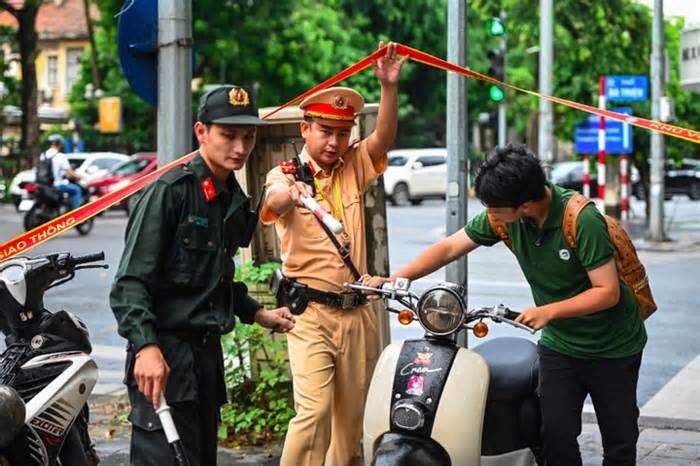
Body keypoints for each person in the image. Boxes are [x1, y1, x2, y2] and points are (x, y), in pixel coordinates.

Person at [364, 144, 647, 466]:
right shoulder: (504, 217)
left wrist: (548, 311)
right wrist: (396, 279)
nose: (490, 214)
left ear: (525, 204)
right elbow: (448, 248)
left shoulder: (582, 221)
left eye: (495, 208)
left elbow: (607, 291)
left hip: (613, 346)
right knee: (555, 434)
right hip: (561, 344)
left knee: (619, 439)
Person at [110, 85, 295, 466]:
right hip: (163, 354)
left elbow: (216, 276)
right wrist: (145, 347)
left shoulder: (230, 196)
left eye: (248, 136)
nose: (240, 147)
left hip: (205, 359)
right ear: (201, 132)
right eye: (228, 135)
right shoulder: (171, 192)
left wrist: (258, 313)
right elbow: (130, 283)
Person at [260, 42, 407, 466]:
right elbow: (273, 201)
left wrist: (388, 87)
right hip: (310, 314)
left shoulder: (354, 165)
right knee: (314, 412)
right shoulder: (285, 174)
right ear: (305, 129)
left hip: (358, 311)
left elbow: (384, 137)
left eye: (342, 132)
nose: (334, 141)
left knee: (351, 425)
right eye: (325, 130)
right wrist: (292, 193)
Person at [41, 134, 83, 210]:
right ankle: (76, 214)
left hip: (45, 185)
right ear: (60, 144)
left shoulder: (43, 155)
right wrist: (81, 177)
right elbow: (70, 172)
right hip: (57, 185)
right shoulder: (61, 156)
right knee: (77, 190)